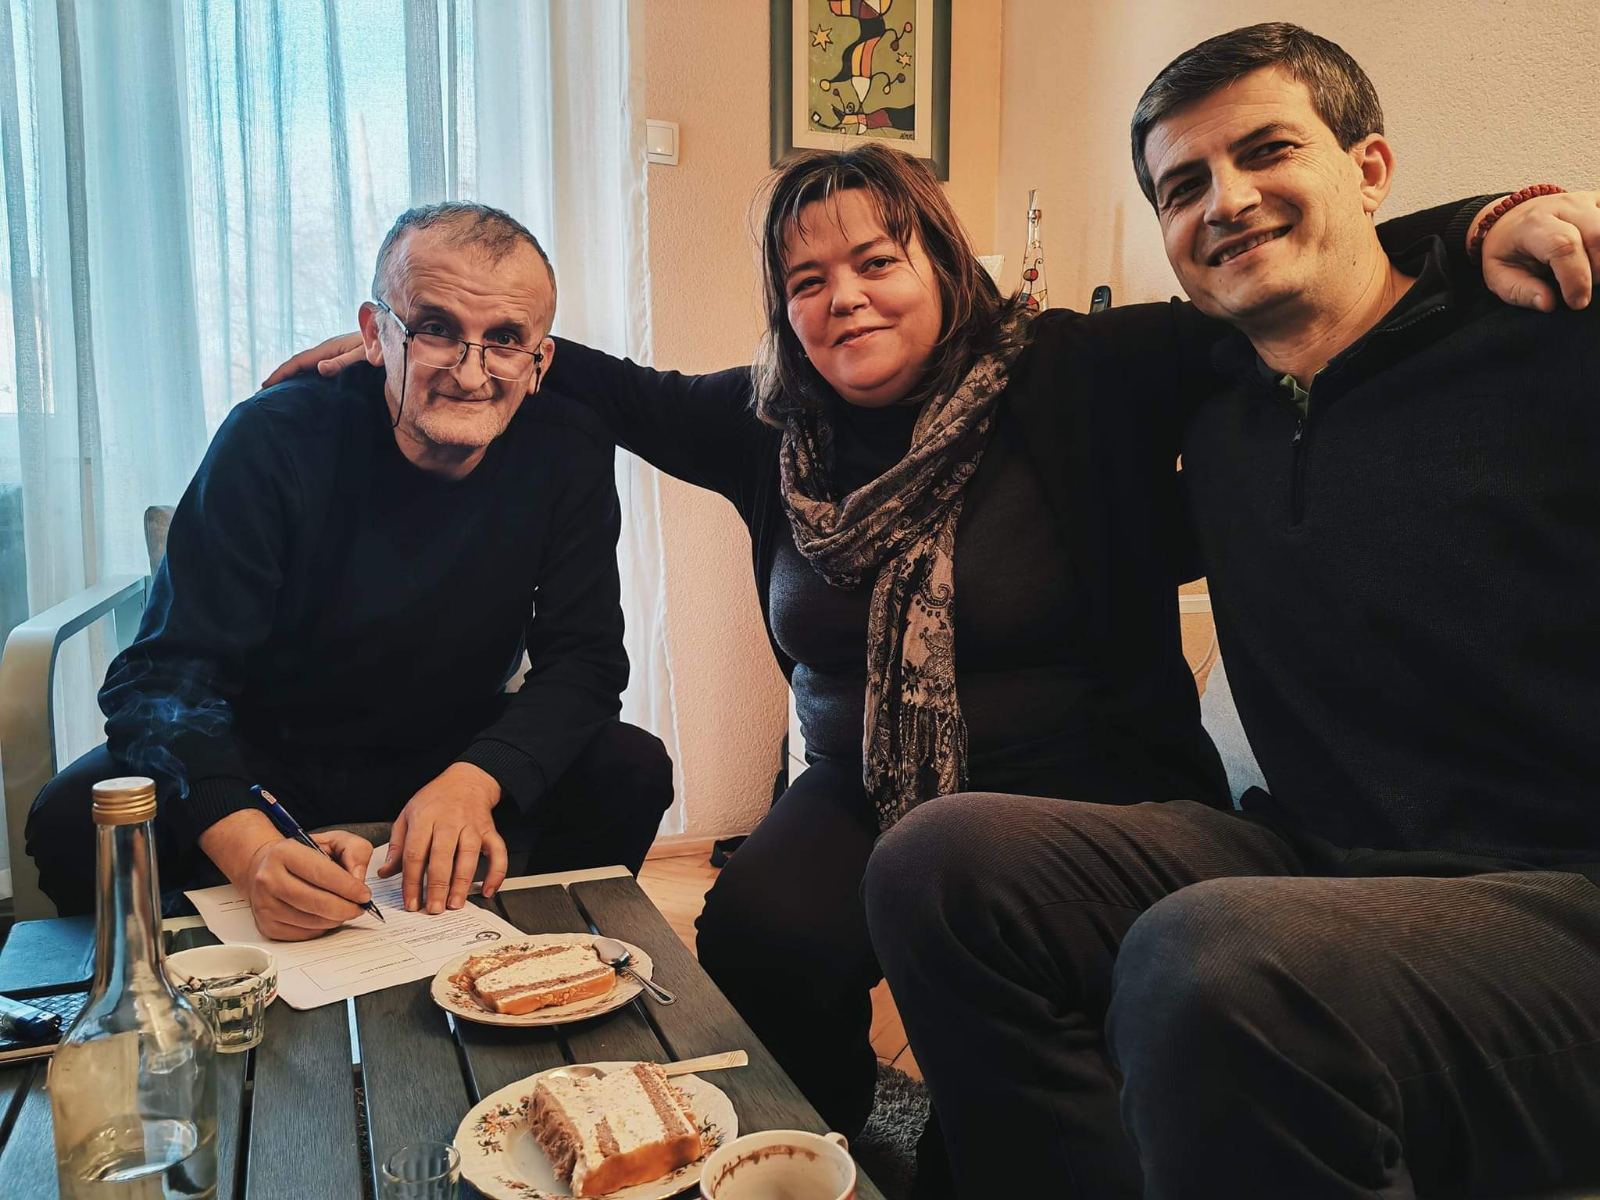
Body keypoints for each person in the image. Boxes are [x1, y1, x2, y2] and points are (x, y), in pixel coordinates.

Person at [264, 157, 1581, 1148]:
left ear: (942, 263)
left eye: (876, 261)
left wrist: (1474, 230)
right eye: (806, 280)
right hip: (867, 784)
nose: (842, 298)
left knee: (1033, 1063)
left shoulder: (1071, 370)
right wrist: (403, 346)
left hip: (1095, 783)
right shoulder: (769, 422)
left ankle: (1044, 1144)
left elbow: (1277, 277)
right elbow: (589, 379)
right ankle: (825, 1147)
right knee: (759, 929)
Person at [863, 22, 1600, 1199]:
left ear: (1369, 168)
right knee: (937, 861)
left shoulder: (1548, 339)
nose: (1228, 202)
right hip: (1313, 853)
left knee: (1209, 964)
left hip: (1558, 894)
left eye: (1268, 152)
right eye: (1183, 186)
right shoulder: (1215, 398)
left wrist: (1482, 225)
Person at [27, 202, 673, 938]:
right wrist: (248, 845)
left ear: (539, 362)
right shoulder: (274, 437)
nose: (471, 374)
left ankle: (531, 954)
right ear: (375, 333)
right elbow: (163, 679)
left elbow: (585, 660)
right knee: (74, 818)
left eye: (503, 339)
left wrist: (476, 779)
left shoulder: (567, 446)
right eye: (436, 328)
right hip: (269, 743)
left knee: (630, 769)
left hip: (451, 740)